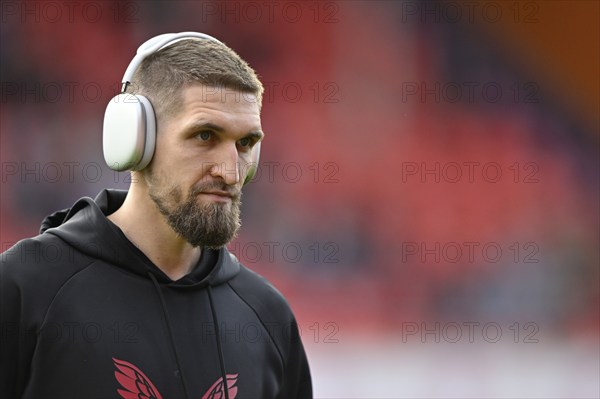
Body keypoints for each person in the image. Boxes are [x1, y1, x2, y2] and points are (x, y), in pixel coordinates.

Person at [0, 32, 312, 399]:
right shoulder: (24, 289)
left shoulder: (268, 318)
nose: (231, 172)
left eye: (245, 144)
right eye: (205, 135)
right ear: (134, 140)